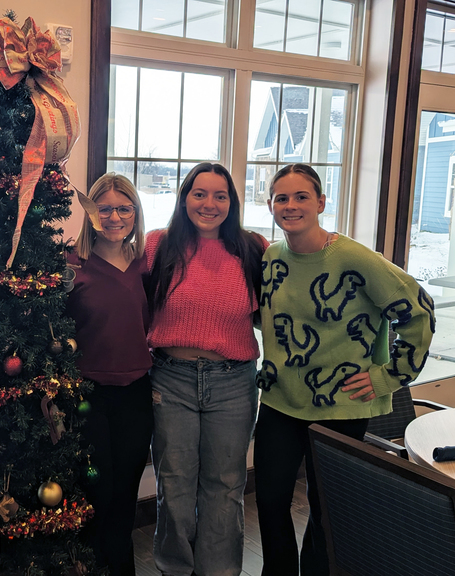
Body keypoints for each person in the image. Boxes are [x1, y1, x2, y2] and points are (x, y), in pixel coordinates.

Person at [254, 163, 435, 575]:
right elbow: (271, 317)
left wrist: (386, 377)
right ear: (270, 205)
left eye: (302, 196)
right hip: (280, 401)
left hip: (341, 405)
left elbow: (419, 313)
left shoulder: (354, 258)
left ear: (320, 202)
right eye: (281, 197)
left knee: (326, 510)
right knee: (269, 501)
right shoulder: (271, 256)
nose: (291, 205)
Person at [145, 162, 268, 576]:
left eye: (220, 195)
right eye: (200, 193)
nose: (209, 204)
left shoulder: (254, 248)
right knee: (175, 488)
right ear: (184, 198)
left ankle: (220, 571)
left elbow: (275, 314)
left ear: (232, 202)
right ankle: (175, 569)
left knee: (226, 487)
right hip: (171, 380)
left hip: (234, 382)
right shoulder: (157, 245)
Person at [66, 173, 152, 576]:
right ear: (90, 213)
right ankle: (90, 565)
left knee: (125, 494)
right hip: (88, 396)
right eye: (104, 209)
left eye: (124, 208)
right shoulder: (71, 264)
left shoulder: (146, 265)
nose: (114, 217)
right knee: (96, 491)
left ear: (135, 213)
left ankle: (122, 568)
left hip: (137, 395)